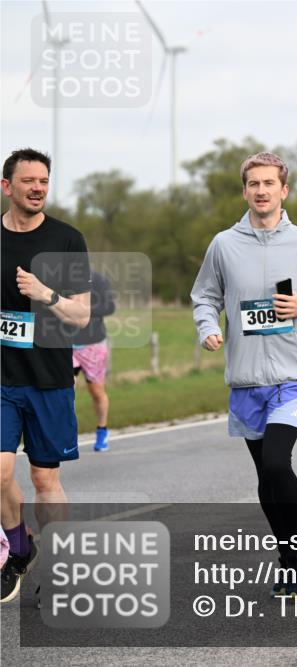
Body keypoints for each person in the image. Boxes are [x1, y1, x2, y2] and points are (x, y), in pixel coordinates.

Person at [191, 152, 297, 598]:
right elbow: (204, 296)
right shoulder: (223, 244)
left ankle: (296, 557)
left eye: (269, 183)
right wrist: (207, 328)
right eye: (253, 183)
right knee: (266, 475)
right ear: (245, 191)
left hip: (292, 373)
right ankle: (288, 558)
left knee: (279, 461)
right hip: (245, 378)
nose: (261, 190)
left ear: (284, 190)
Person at [1, 148, 91, 603]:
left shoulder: (67, 239)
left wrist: (45, 292)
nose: (38, 188)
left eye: (44, 181)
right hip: (2, 379)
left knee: (43, 480)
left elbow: (81, 315)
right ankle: (19, 549)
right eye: (28, 181)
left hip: (50, 377)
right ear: (7, 186)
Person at [71, 270, 115, 452]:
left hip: (93, 344)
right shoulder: (56, 279)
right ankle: (66, 434)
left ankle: (102, 430)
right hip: (66, 344)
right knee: (64, 390)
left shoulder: (98, 279)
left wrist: (81, 308)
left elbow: (109, 308)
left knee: (96, 391)